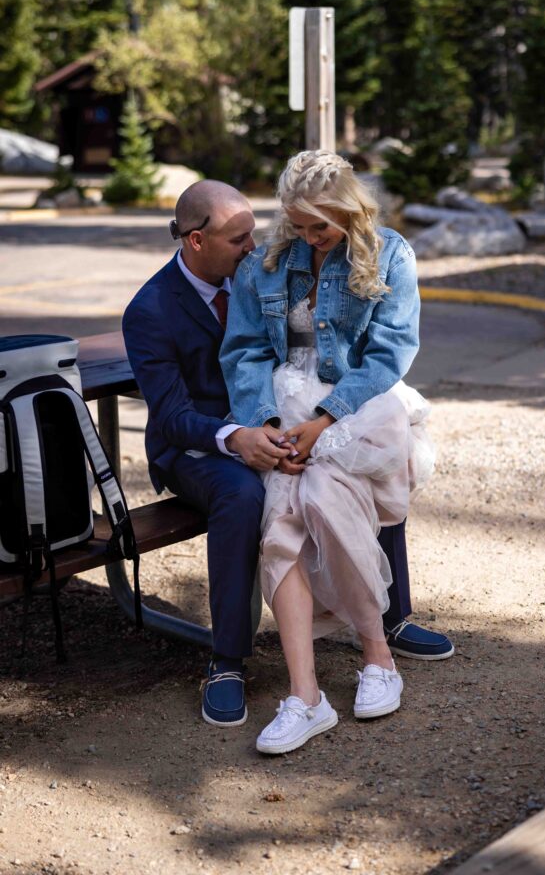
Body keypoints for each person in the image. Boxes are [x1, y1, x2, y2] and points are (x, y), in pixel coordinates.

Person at [123, 178, 451, 732]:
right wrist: (239, 437)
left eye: (254, 231)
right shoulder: (151, 310)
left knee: (364, 462)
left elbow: (330, 350)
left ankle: (390, 623)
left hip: (273, 422)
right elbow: (173, 416)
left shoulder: (265, 271)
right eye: (237, 238)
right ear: (196, 241)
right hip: (200, 445)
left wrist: (292, 425)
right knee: (243, 493)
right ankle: (226, 662)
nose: (253, 246)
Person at [221, 151, 445, 756]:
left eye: (320, 226)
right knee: (279, 529)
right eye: (298, 225)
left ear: (349, 209)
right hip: (281, 409)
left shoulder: (390, 252)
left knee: (322, 497)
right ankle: (306, 696)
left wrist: (324, 422)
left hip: (359, 410)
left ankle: (378, 654)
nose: (309, 237)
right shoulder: (264, 265)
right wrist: (265, 426)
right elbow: (243, 353)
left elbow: (389, 354)